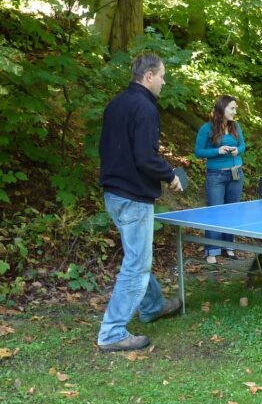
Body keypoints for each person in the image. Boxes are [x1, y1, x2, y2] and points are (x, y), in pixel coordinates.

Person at [97, 53, 183, 352]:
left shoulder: (116, 104)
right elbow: (146, 157)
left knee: (137, 257)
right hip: (132, 196)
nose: (163, 81)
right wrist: (169, 175)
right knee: (137, 264)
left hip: (114, 193)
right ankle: (111, 332)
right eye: (161, 76)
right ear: (148, 76)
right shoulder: (145, 107)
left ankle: (152, 306)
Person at [194, 95, 246, 264]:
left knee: (232, 211)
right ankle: (212, 250)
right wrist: (218, 151)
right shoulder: (206, 128)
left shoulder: (235, 126)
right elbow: (199, 151)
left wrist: (237, 151)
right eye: (232, 108)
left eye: (235, 108)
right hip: (216, 175)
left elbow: (243, 146)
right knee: (215, 212)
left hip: (236, 174)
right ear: (222, 108)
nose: (234, 111)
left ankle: (228, 246)